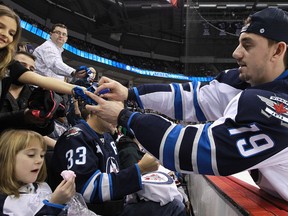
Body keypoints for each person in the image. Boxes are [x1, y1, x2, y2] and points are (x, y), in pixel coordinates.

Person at [84, 7, 288, 202]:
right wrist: (130, 93)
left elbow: (191, 150)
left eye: (248, 44)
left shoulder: (277, 107)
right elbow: (193, 97)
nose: (236, 53)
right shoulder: (247, 81)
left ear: (278, 51)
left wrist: (124, 117)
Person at [49, 107, 186, 216]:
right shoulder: (76, 137)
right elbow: (88, 190)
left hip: (113, 207)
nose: (117, 117)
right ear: (95, 109)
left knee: (172, 200)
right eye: (112, 110)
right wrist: (140, 169)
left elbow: (114, 175)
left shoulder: (107, 137)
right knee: (174, 208)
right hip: (91, 211)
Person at [0, 5, 86, 111]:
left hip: (51, 92)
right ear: (50, 34)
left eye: (11, 33)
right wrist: (73, 73)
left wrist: (80, 89)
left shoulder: (7, 62)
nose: (5, 34)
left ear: (66, 39)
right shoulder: (48, 47)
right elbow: (53, 65)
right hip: (39, 91)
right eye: (58, 32)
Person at [0, 129, 76, 215]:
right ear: (7, 159)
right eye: (31, 155)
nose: (40, 160)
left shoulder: (43, 186)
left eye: (42, 155)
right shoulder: (4, 203)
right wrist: (54, 204)